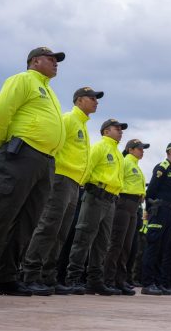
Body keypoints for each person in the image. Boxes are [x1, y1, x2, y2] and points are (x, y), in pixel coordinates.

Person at [0, 46, 66, 297]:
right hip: (21, 154)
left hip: (44, 161)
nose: (55, 63)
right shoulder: (23, 79)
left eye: (56, 60)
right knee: (1, 215)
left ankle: (5, 276)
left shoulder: (48, 90)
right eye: (51, 59)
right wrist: (7, 145)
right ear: (35, 61)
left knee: (27, 221)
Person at [21, 86, 102, 295]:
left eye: (96, 99)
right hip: (61, 179)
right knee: (48, 227)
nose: (96, 101)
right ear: (79, 100)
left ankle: (48, 277)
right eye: (92, 98)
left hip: (74, 183)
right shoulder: (68, 119)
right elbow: (54, 145)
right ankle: (30, 274)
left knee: (60, 233)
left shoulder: (82, 125)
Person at [65, 118, 127, 295]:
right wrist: (85, 190)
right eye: (117, 128)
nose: (120, 131)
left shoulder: (117, 153)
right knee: (84, 237)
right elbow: (87, 168)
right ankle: (73, 278)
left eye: (121, 129)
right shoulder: (99, 147)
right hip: (96, 196)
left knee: (102, 242)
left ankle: (94, 281)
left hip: (110, 200)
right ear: (106, 131)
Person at [104, 138, 149, 295]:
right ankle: (108, 280)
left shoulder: (135, 165)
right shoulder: (125, 162)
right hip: (124, 202)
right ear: (130, 149)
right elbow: (117, 180)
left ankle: (119, 280)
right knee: (117, 243)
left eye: (143, 149)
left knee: (126, 246)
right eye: (139, 148)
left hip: (134, 206)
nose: (142, 151)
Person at [141, 141, 171, 294]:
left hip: (170, 213)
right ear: (170, 151)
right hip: (160, 210)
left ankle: (157, 282)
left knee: (163, 248)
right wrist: (149, 209)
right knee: (154, 246)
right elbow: (151, 190)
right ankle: (147, 283)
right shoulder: (162, 167)